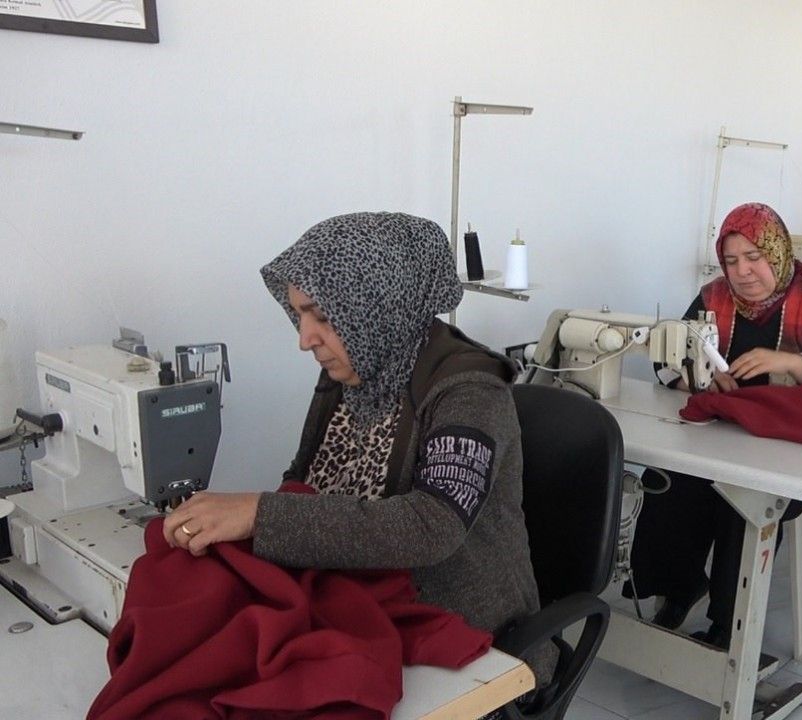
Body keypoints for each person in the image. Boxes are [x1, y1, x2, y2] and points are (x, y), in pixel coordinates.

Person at [159, 212, 555, 684]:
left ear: (378, 305)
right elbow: (303, 480)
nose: (305, 339)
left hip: (471, 639)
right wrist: (235, 530)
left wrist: (258, 515)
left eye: (323, 317)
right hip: (362, 601)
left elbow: (431, 526)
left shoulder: (469, 391)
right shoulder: (353, 371)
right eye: (301, 315)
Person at [625, 202, 802, 649]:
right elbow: (666, 358)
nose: (742, 271)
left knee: (742, 499)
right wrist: (695, 379)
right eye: (732, 260)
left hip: (795, 447)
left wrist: (793, 363)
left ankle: (731, 626)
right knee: (668, 479)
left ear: (776, 252)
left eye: (754, 257)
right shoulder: (713, 298)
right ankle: (681, 585)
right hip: (724, 435)